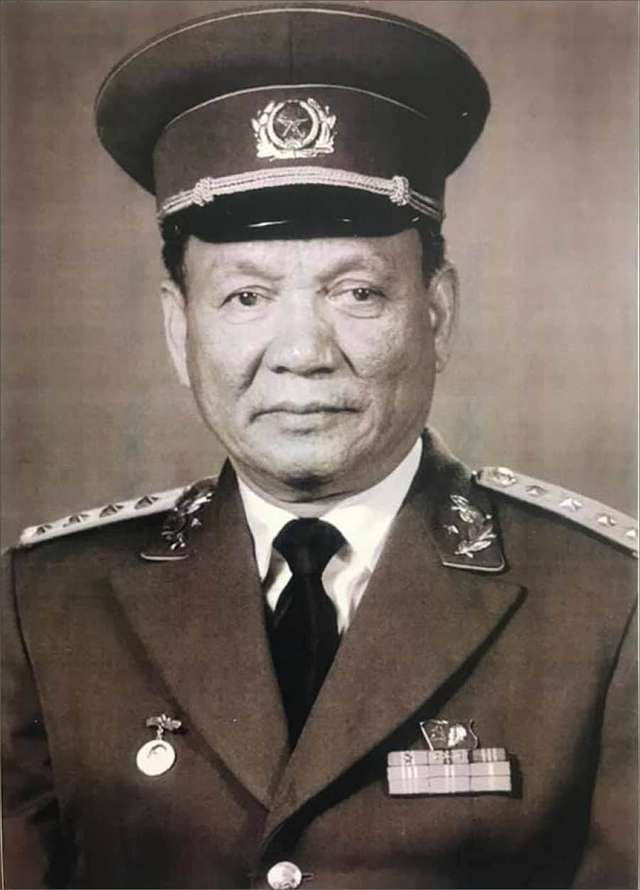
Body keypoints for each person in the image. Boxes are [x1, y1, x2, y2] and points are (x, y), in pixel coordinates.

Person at [2, 4, 637, 889]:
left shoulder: (605, 605)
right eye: (247, 298)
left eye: (357, 292)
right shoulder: (47, 608)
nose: (302, 353)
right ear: (178, 328)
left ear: (437, 314)